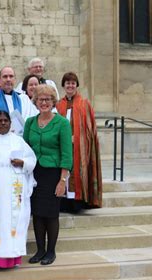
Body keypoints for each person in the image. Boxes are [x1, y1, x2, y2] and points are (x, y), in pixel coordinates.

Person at [0, 111, 36, 268]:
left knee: (13, 223)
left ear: (10, 123)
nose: (3, 123)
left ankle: (12, 257)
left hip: (13, 191)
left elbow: (32, 160)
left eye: (6, 120)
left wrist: (22, 162)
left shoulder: (19, 141)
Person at [23, 84, 72, 265]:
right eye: (40, 99)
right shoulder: (30, 122)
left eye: (47, 99)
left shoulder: (62, 123)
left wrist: (62, 180)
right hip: (34, 173)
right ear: (35, 102)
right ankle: (40, 250)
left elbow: (67, 154)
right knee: (37, 213)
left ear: (53, 102)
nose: (44, 102)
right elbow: (25, 148)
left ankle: (51, 251)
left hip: (53, 174)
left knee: (51, 214)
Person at [56, 72, 102, 212]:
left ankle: (77, 203)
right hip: (63, 148)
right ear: (63, 85)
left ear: (76, 85)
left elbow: (89, 128)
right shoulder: (59, 105)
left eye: (73, 83)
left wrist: (78, 138)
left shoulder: (84, 104)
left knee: (78, 173)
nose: (70, 85)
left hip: (79, 147)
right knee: (63, 174)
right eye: (67, 83)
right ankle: (63, 203)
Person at [0, 66, 38, 136]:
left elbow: (31, 119)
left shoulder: (24, 99)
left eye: (11, 76)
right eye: (5, 77)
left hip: (20, 140)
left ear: (15, 79)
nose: (8, 79)